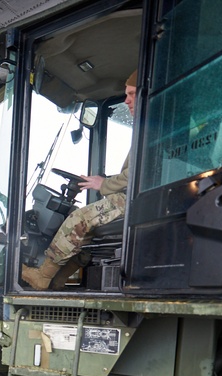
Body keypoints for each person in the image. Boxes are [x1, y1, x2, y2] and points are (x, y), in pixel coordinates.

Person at [22, 70, 137, 290]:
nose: (126, 100)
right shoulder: (151, 125)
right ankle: (57, 280)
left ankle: (42, 276)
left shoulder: (154, 127)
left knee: (78, 219)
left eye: (131, 94)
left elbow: (135, 174)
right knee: (86, 234)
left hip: (136, 200)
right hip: (137, 197)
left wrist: (103, 184)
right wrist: (104, 181)